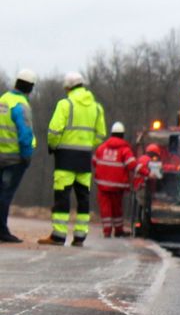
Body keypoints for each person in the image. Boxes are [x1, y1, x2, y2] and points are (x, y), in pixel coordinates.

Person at [39, 72, 106, 247]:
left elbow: (54, 131)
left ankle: (59, 236)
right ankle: (80, 237)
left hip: (65, 159)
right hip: (84, 160)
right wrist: (86, 145)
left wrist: (54, 146)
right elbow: (101, 134)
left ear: (68, 88)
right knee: (83, 197)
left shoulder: (65, 104)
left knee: (62, 196)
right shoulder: (97, 107)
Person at [0, 70, 38, 243]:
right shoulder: (21, 105)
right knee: (5, 195)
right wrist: (27, 156)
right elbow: (25, 135)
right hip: (13, 159)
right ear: (30, 88)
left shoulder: (3, 100)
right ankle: (2, 230)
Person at [93, 122, 141, 238]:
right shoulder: (125, 150)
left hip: (102, 185)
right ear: (122, 135)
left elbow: (94, 162)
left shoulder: (101, 148)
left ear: (111, 134)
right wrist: (147, 172)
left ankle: (107, 231)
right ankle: (118, 230)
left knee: (105, 209)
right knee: (117, 209)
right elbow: (133, 165)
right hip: (117, 187)